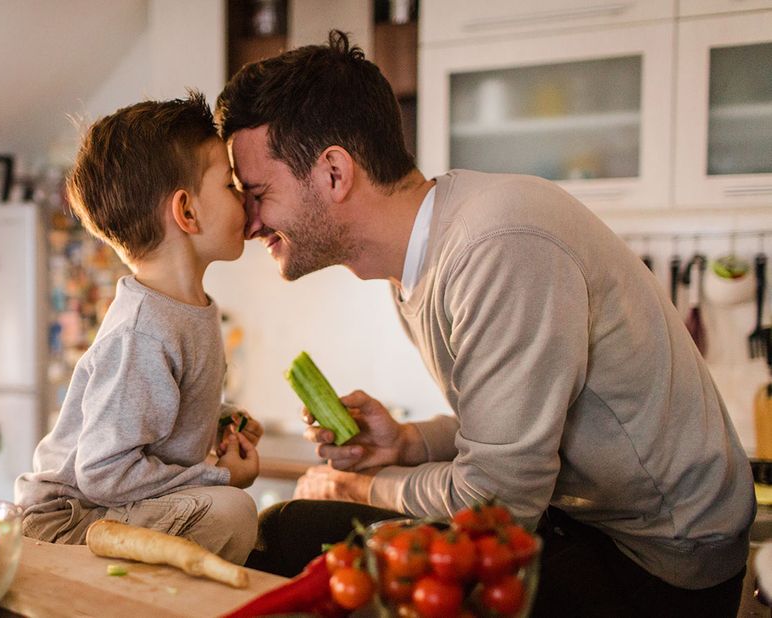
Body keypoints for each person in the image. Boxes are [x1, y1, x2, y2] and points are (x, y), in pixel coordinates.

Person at [217, 31, 754, 615]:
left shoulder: (497, 246)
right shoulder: (416, 267)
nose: (248, 224)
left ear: (334, 174)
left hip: (660, 564)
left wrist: (361, 486)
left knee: (293, 528)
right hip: (588, 525)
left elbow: (496, 506)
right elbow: (524, 426)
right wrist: (409, 442)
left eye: (258, 193)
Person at [15, 92, 262, 565]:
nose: (245, 197)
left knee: (229, 513)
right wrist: (219, 476)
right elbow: (104, 471)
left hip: (105, 502)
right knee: (231, 511)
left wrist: (218, 419)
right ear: (187, 212)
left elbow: (157, 416)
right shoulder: (143, 332)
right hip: (69, 519)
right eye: (230, 186)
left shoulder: (186, 311)